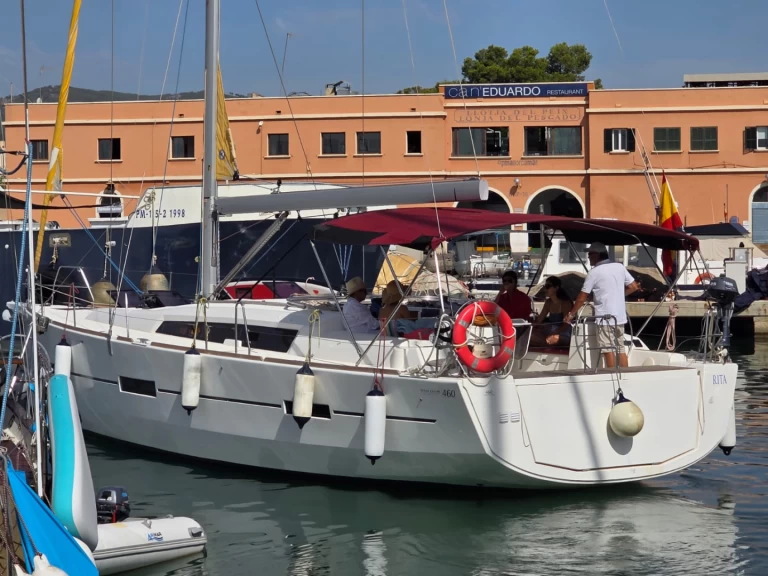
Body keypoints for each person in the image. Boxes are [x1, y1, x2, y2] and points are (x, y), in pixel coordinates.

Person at [564, 242, 640, 368]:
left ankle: (610, 376)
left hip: (605, 318)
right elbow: (633, 287)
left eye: (590, 254)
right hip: (620, 317)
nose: (588, 257)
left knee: (607, 349)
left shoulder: (594, 273)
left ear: (597, 255)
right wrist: (618, 295)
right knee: (620, 348)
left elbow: (581, 297)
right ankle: (626, 376)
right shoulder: (619, 267)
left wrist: (571, 314)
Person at [531, 276, 573, 347]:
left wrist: (554, 333)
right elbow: (539, 320)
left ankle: (544, 344)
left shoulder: (566, 303)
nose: (545, 289)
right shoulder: (548, 302)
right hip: (550, 331)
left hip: (563, 333)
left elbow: (566, 324)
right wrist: (529, 326)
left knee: (552, 339)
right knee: (530, 336)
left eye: (548, 286)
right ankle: (545, 344)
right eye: (545, 286)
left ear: (556, 288)